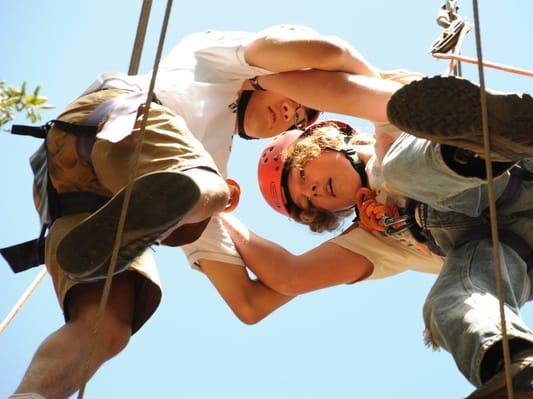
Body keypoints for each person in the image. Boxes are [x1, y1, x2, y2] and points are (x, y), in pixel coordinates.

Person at [6, 25, 379, 399]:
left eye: (298, 118)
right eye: (295, 98)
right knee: (207, 189)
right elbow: (327, 50)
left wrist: (349, 243)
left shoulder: (209, 172)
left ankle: (31, 394)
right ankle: (172, 203)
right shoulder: (220, 64)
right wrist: (379, 95)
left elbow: (248, 304)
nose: (290, 112)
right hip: (116, 124)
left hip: (71, 197)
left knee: (108, 326)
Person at [213, 75, 533, 397]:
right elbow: (285, 277)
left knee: (393, 166)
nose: (312, 192)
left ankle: (481, 145)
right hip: (524, 251)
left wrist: (260, 78)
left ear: (327, 141)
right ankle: (526, 368)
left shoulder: (389, 127)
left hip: (519, 177)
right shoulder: (371, 241)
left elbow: (345, 82)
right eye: (307, 203)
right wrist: (212, 205)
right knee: (447, 304)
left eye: (301, 175)